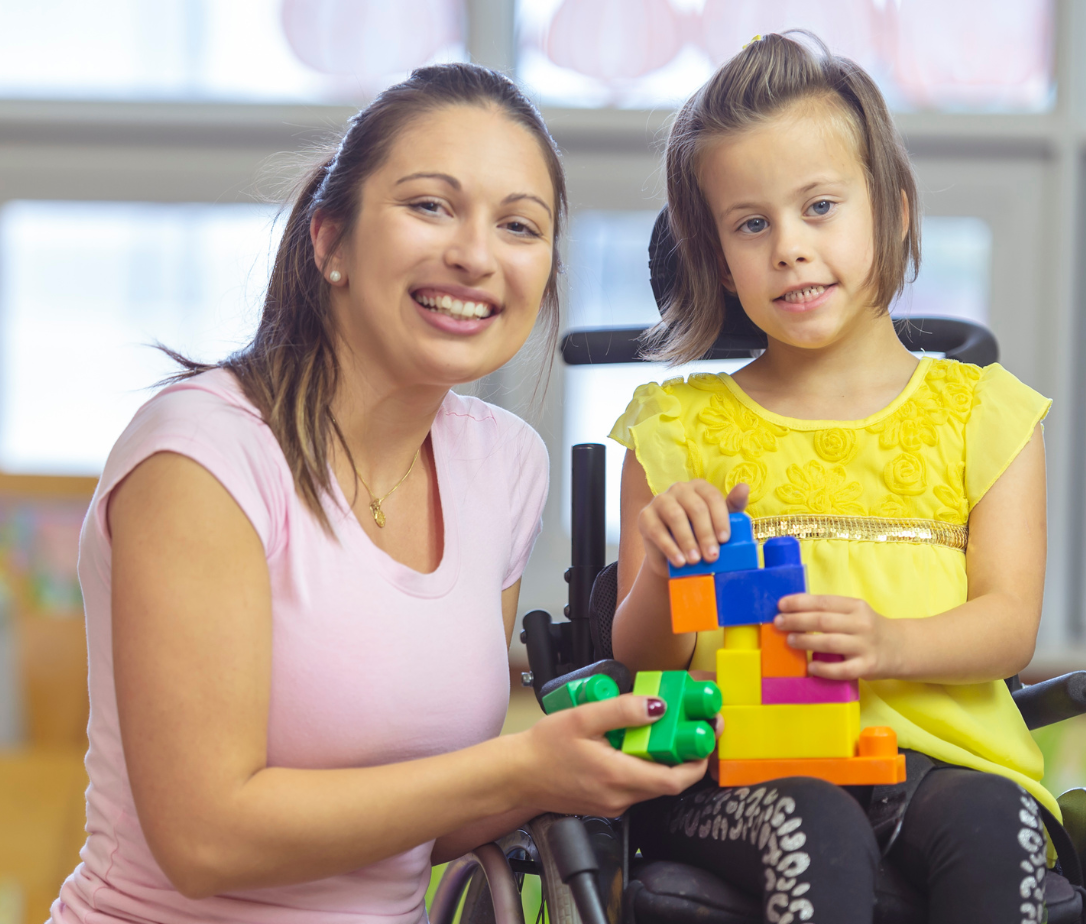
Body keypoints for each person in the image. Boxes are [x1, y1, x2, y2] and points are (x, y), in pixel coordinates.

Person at [51, 63, 704, 924]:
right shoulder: (204, 454)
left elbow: (419, 824)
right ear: (329, 242)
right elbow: (206, 838)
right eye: (431, 206)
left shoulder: (502, 467)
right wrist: (523, 767)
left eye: (518, 225)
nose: (474, 255)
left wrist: (596, 757)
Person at [609, 34, 1054, 924]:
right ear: (718, 256)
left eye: (819, 207)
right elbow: (641, 657)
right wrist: (666, 562)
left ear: (890, 213)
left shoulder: (985, 414)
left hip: (949, 764)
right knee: (812, 821)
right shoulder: (676, 431)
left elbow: (1008, 627)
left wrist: (892, 645)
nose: (789, 249)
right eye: (751, 224)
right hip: (742, 770)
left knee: (997, 822)